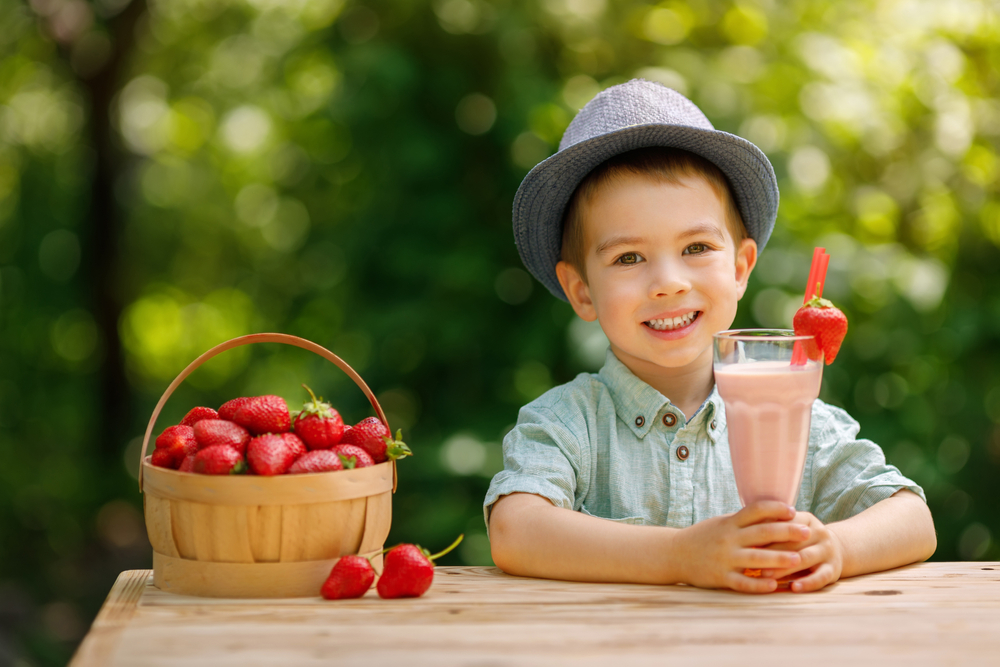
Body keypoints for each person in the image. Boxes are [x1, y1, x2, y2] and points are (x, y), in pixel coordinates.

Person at [484, 79, 936, 593]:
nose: (670, 281)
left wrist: (836, 547)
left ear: (741, 267)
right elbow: (515, 530)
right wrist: (681, 556)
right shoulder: (571, 425)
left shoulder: (794, 418)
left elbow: (912, 519)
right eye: (628, 258)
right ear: (581, 291)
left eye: (696, 247)